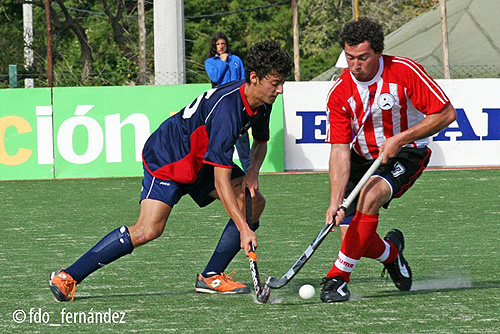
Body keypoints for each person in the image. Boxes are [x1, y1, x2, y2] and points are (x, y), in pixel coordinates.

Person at [49, 40, 293, 302]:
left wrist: (253, 171)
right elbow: (222, 184)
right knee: (148, 230)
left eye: (282, 83)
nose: (280, 90)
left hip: (202, 161)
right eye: (275, 83)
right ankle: (67, 276)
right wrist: (244, 228)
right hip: (170, 157)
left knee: (254, 201)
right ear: (254, 78)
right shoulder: (228, 110)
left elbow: (261, 141)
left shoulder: (263, 102)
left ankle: (211, 276)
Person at [320, 17, 456, 303]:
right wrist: (335, 202)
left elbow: (445, 114)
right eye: (350, 57)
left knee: (370, 195)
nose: (356, 65)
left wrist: (400, 138)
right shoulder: (339, 93)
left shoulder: (404, 71)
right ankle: (391, 254)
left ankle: (337, 279)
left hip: (408, 150)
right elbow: (340, 151)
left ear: (378, 53)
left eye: (363, 58)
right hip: (361, 157)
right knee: (353, 237)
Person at [205, 32, 251, 172]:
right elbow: (215, 78)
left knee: (242, 141)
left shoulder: (236, 59)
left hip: (239, 104)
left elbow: (243, 79)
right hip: (222, 105)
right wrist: (223, 62)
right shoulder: (210, 62)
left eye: (223, 44)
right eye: (218, 44)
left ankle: (250, 177)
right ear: (214, 46)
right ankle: (227, 177)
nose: (220, 47)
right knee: (224, 143)